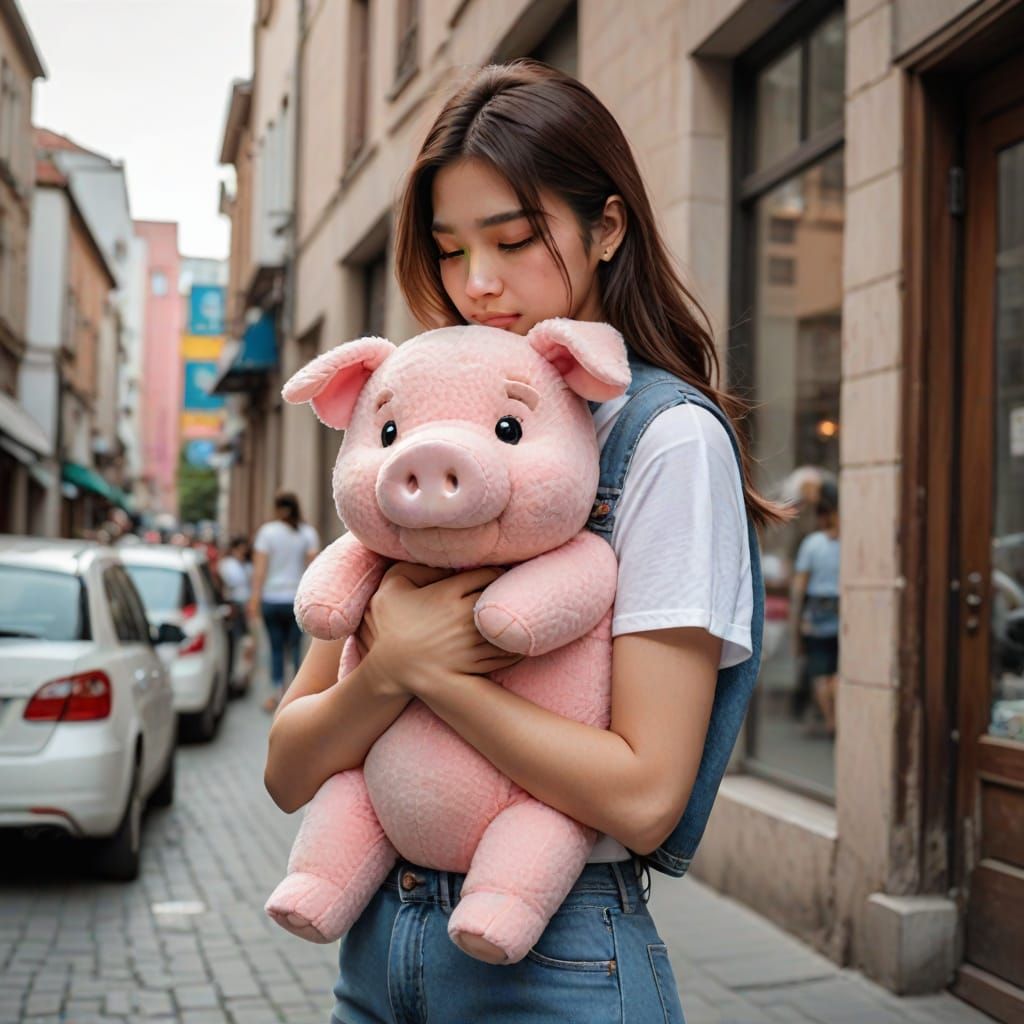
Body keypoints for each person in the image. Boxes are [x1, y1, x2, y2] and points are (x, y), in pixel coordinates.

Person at [264, 60, 790, 1022]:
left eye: (513, 240)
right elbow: (288, 767)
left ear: (608, 226)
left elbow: (642, 796)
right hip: (376, 942)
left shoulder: (666, 441)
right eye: (451, 249)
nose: (479, 284)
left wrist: (434, 673)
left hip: (556, 955)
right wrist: (384, 675)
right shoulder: (422, 421)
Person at [248, 493, 320, 712]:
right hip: (296, 600)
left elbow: (260, 570)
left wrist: (254, 599)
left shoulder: (267, 532)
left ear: (277, 508)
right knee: (297, 648)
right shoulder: (307, 533)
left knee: (276, 649)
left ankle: (277, 694)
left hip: (271, 599)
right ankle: (299, 696)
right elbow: (315, 568)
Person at [790, 480, 840, 737]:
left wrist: (796, 624)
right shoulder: (847, 544)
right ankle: (836, 720)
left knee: (820, 672)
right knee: (837, 671)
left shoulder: (812, 544)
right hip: (842, 610)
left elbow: (799, 588)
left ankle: (831, 720)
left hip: (817, 611)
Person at [219, 535, 254, 693]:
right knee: (236, 641)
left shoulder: (247, 566)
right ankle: (234, 677)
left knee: (246, 642)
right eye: (240, 549)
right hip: (233, 606)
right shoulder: (227, 565)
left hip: (245, 607)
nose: (243, 551)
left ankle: (242, 676)